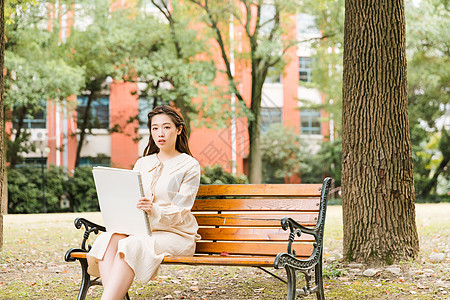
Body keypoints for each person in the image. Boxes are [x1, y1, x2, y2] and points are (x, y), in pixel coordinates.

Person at [86, 105, 201, 300]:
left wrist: (154, 210)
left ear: (179, 129)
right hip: (141, 230)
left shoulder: (189, 165)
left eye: (166, 127)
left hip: (176, 234)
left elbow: (182, 210)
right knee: (107, 239)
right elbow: (130, 198)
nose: (160, 133)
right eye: (155, 128)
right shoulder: (143, 163)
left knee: (132, 244)